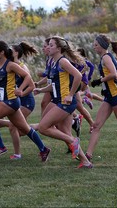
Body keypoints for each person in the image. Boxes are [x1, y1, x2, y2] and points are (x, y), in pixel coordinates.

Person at [0, 40, 51, 161]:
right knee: (25, 129)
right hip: (7, 101)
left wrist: (21, 90)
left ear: (2, 52)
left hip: (10, 101)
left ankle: (1, 147)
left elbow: (27, 77)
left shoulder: (10, 65)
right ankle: (43, 149)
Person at [34, 36, 93, 168]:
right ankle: (86, 162)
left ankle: (73, 141)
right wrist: (41, 90)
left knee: (43, 127)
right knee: (64, 131)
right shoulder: (52, 61)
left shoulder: (63, 61)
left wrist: (71, 95)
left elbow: (78, 75)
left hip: (65, 102)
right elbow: (55, 84)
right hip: (57, 100)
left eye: (51, 45)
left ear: (59, 48)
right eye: (48, 45)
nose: (48, 47)